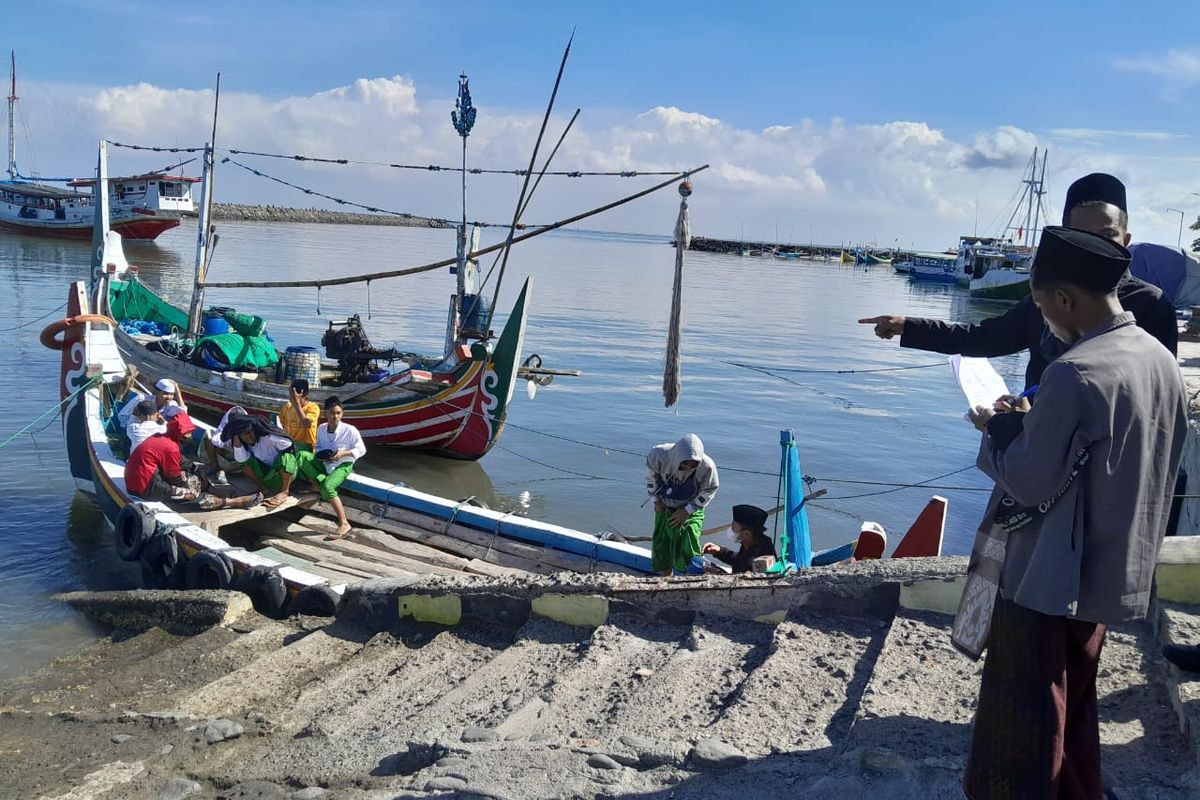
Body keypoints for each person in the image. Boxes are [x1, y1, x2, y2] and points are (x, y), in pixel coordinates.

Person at [960, 226, 1187, 798]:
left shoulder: (1074, 371)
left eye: (1041, 306)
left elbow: (1031, 481)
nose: (1044, 321)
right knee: (1075, 694)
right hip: (1111, 563)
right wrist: (1035, 423)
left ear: (1064, 300)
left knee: (1031, 712)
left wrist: (1001, 426)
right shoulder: (1158, 357)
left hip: (1049, 573)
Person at [858, 173, 1178, 391]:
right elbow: (985, 338)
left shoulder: (1152, 306)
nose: (1095, 247)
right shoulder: (1047, 299)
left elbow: (1158, 395)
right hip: (1034, 452)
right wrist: (907, 325)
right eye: (1083, 237)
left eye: (1106, 236)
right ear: (1066, 237)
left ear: (1126, 239)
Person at [645, 434, 719, 576]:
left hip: (691, 507)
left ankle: (693, 577)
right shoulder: (658, 455)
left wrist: (687, 510)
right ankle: (665, 578)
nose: (688, 467)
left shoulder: (707, 467)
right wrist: (655, 500)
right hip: (665, 505)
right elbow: (650, 477)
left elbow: (710, 489)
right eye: (685, 463)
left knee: (688, 543)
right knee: (662, 544)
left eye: (693, 465)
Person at [299, 396, 366, 539]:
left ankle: (344, 523)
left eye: (338, 413)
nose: (335, 416)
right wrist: (322, 455)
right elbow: (318, 447)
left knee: (329, 487)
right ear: (325, 414)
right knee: (302, 456)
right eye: (331, 413)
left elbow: (361, 450)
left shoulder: (350, 430)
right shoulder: (322, 428)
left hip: (343, 464)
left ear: (342, 414)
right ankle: (316, 485)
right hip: (326, 462)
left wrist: (342, 454)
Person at [224, 414, 309, 508]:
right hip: (271, 478)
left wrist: (267, 431)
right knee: (244, 465)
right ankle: (263, 489)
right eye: (244, 434)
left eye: (250, 431)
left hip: (288, 474)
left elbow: (288, 444)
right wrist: (235, 437)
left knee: (286, 457)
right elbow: (241, 459)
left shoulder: (267, 437)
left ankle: (284, 491)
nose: (249, 436)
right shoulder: (245, 446)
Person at [124, 427, 198, 502]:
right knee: (192, 494)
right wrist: (185, 485)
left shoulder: (158, 438)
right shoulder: (171, 448)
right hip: (145, 489)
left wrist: (194, 468)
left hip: (132, 483)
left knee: (185, 475)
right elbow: (174, 478)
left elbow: (180, 460)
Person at [702, 504, 776, 573]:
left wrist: (716, 574)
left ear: (746, 533)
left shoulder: (753, 562)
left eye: (733, 526)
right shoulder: (754, 542)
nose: (731, 529)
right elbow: (739, 560)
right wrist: (719, 551)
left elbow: (738, 577)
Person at [279, 379, 320, 452]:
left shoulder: (313, 408)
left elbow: (306, 424)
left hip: (305, 448)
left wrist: (297, 405)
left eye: (292, 395)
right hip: (289, 446)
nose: (290, 398)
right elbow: (280, 425)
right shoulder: (287, 407)